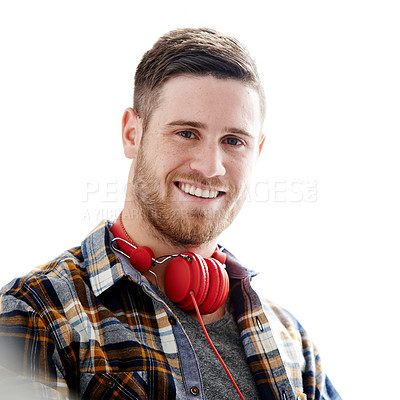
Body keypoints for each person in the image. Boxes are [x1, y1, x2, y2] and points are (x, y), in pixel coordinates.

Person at [0, 28, 341, 400]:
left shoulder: (293, 341)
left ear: (256, 151)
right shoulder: (35, 312)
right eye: (186, 133)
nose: (211, 168)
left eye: (233, 141)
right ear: (132, 133)